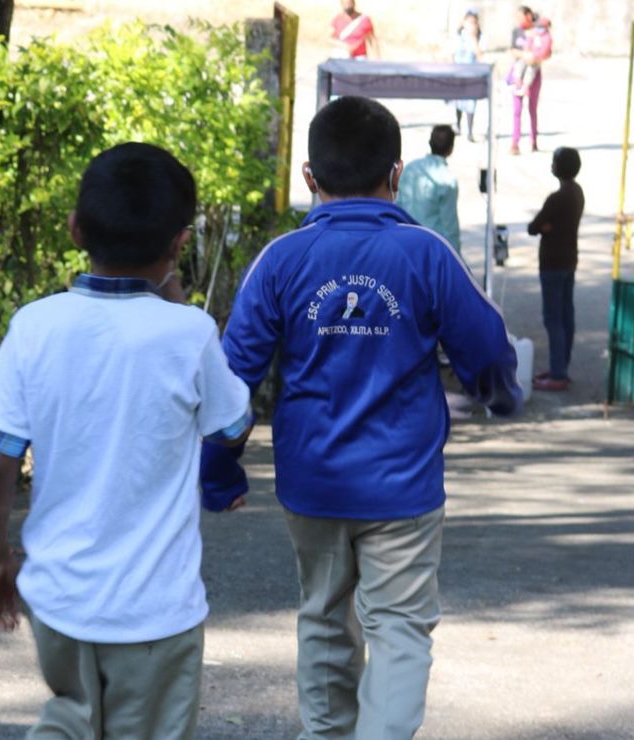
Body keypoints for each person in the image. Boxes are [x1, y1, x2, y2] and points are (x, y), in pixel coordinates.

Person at [200, 96, 523, 740]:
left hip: (312, 482)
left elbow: (229, 377)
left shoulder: (282, 260)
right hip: (403, 486)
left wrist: (219, 472)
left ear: (308, 177)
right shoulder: (425, 254)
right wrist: (500, 395)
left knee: (322, 616)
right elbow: (486, 350)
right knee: (400, 628)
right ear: (396, 175)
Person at [0, 142, 253, 739]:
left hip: (60, 603)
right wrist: (177, 303)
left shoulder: (34, 326)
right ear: (180, 243)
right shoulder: (190, 333)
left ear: (75, 229)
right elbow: (232, 428)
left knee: (71, 716)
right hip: (155, 611)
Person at [529, 146, 584, 392]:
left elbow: (533, 226)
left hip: (552, 262)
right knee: (565, 315)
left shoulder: (557, 198)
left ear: (560, 167)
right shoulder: (577, 192)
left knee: (553, 318)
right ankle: (561, 366)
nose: (551, 165)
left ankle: (558, 372)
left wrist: (545, 227)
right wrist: (546, 226)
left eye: (554, 161)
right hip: (570, 260)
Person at [396, 124, 462, 253]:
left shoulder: (409, 168)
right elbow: (450, 227)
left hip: (404, 244)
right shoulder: (447, 180)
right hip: (430, 250)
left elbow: (398, 205)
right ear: (451, 148)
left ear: (430, 143)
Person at [509, 6, 550, 154]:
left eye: (520, 16)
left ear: (529, 15)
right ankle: (515, 142)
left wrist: (536, 58)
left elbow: (547, 50)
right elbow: (512, 49)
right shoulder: (517, 31)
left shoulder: (540, 30)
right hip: (518, 72)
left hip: (534, 72)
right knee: (517, 110)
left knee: (532, 109)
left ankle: (533, 141)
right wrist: (524, 55)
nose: (519, 20)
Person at [452, 9, 482, 140]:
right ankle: (458, 125)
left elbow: (480, 54)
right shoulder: (458, 36)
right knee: (458, 101)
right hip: (458, 73)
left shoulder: (479, 37)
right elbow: (451, 53)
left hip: (472, 75)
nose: (471, 25)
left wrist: (474, 38)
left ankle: (470, 131)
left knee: (471, 102)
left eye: (474, 22)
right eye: (469, 22)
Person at [511, 17, 553, 97]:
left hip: (535, 60)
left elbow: (546, 52)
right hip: (527, 56)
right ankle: (517, 83)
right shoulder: (533, 34)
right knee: (519, 66)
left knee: (530, 72)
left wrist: (535, 57)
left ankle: (524, 87)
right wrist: (526, 52)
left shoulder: (547, 37)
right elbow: (527, 44)